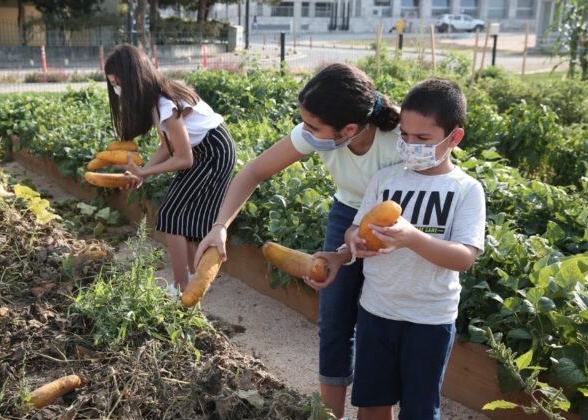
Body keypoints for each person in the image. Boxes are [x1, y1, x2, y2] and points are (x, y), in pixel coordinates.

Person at [195, 62, 402, 418]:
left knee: (376, 324)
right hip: (346, 212)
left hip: (395, 224)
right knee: (334, 320)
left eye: (312, 126)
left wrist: (355, 249)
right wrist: (220, 226)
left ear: (348, 130)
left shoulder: (400, 142)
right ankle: (330, 414)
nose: (304, 131)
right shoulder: (321, 132)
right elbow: (254, 171)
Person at [341, 78, 486, 419]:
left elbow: (464, 257)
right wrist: (354, 240)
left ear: (454, 138)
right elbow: (354, 226)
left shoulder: (466, 190)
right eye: (405, 136)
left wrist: (412, 238)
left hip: (429, 318)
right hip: (377, 310)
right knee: (372, 402)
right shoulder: (386, 180)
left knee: (419, 409)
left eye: (423, 139)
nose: (410, 144)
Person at [104, 44, 236, 294]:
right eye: (112, 84)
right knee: (175, 217)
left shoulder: (165, 103)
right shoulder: (156, 100)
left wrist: (145, 172)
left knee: (172, 215)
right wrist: (141, 173)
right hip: (204, 150)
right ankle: (191, 280)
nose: (116, 89)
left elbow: (184, 159)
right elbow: (167, 146)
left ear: (133, 79)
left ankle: (182, 287)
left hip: (213, 152)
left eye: (117, 82)